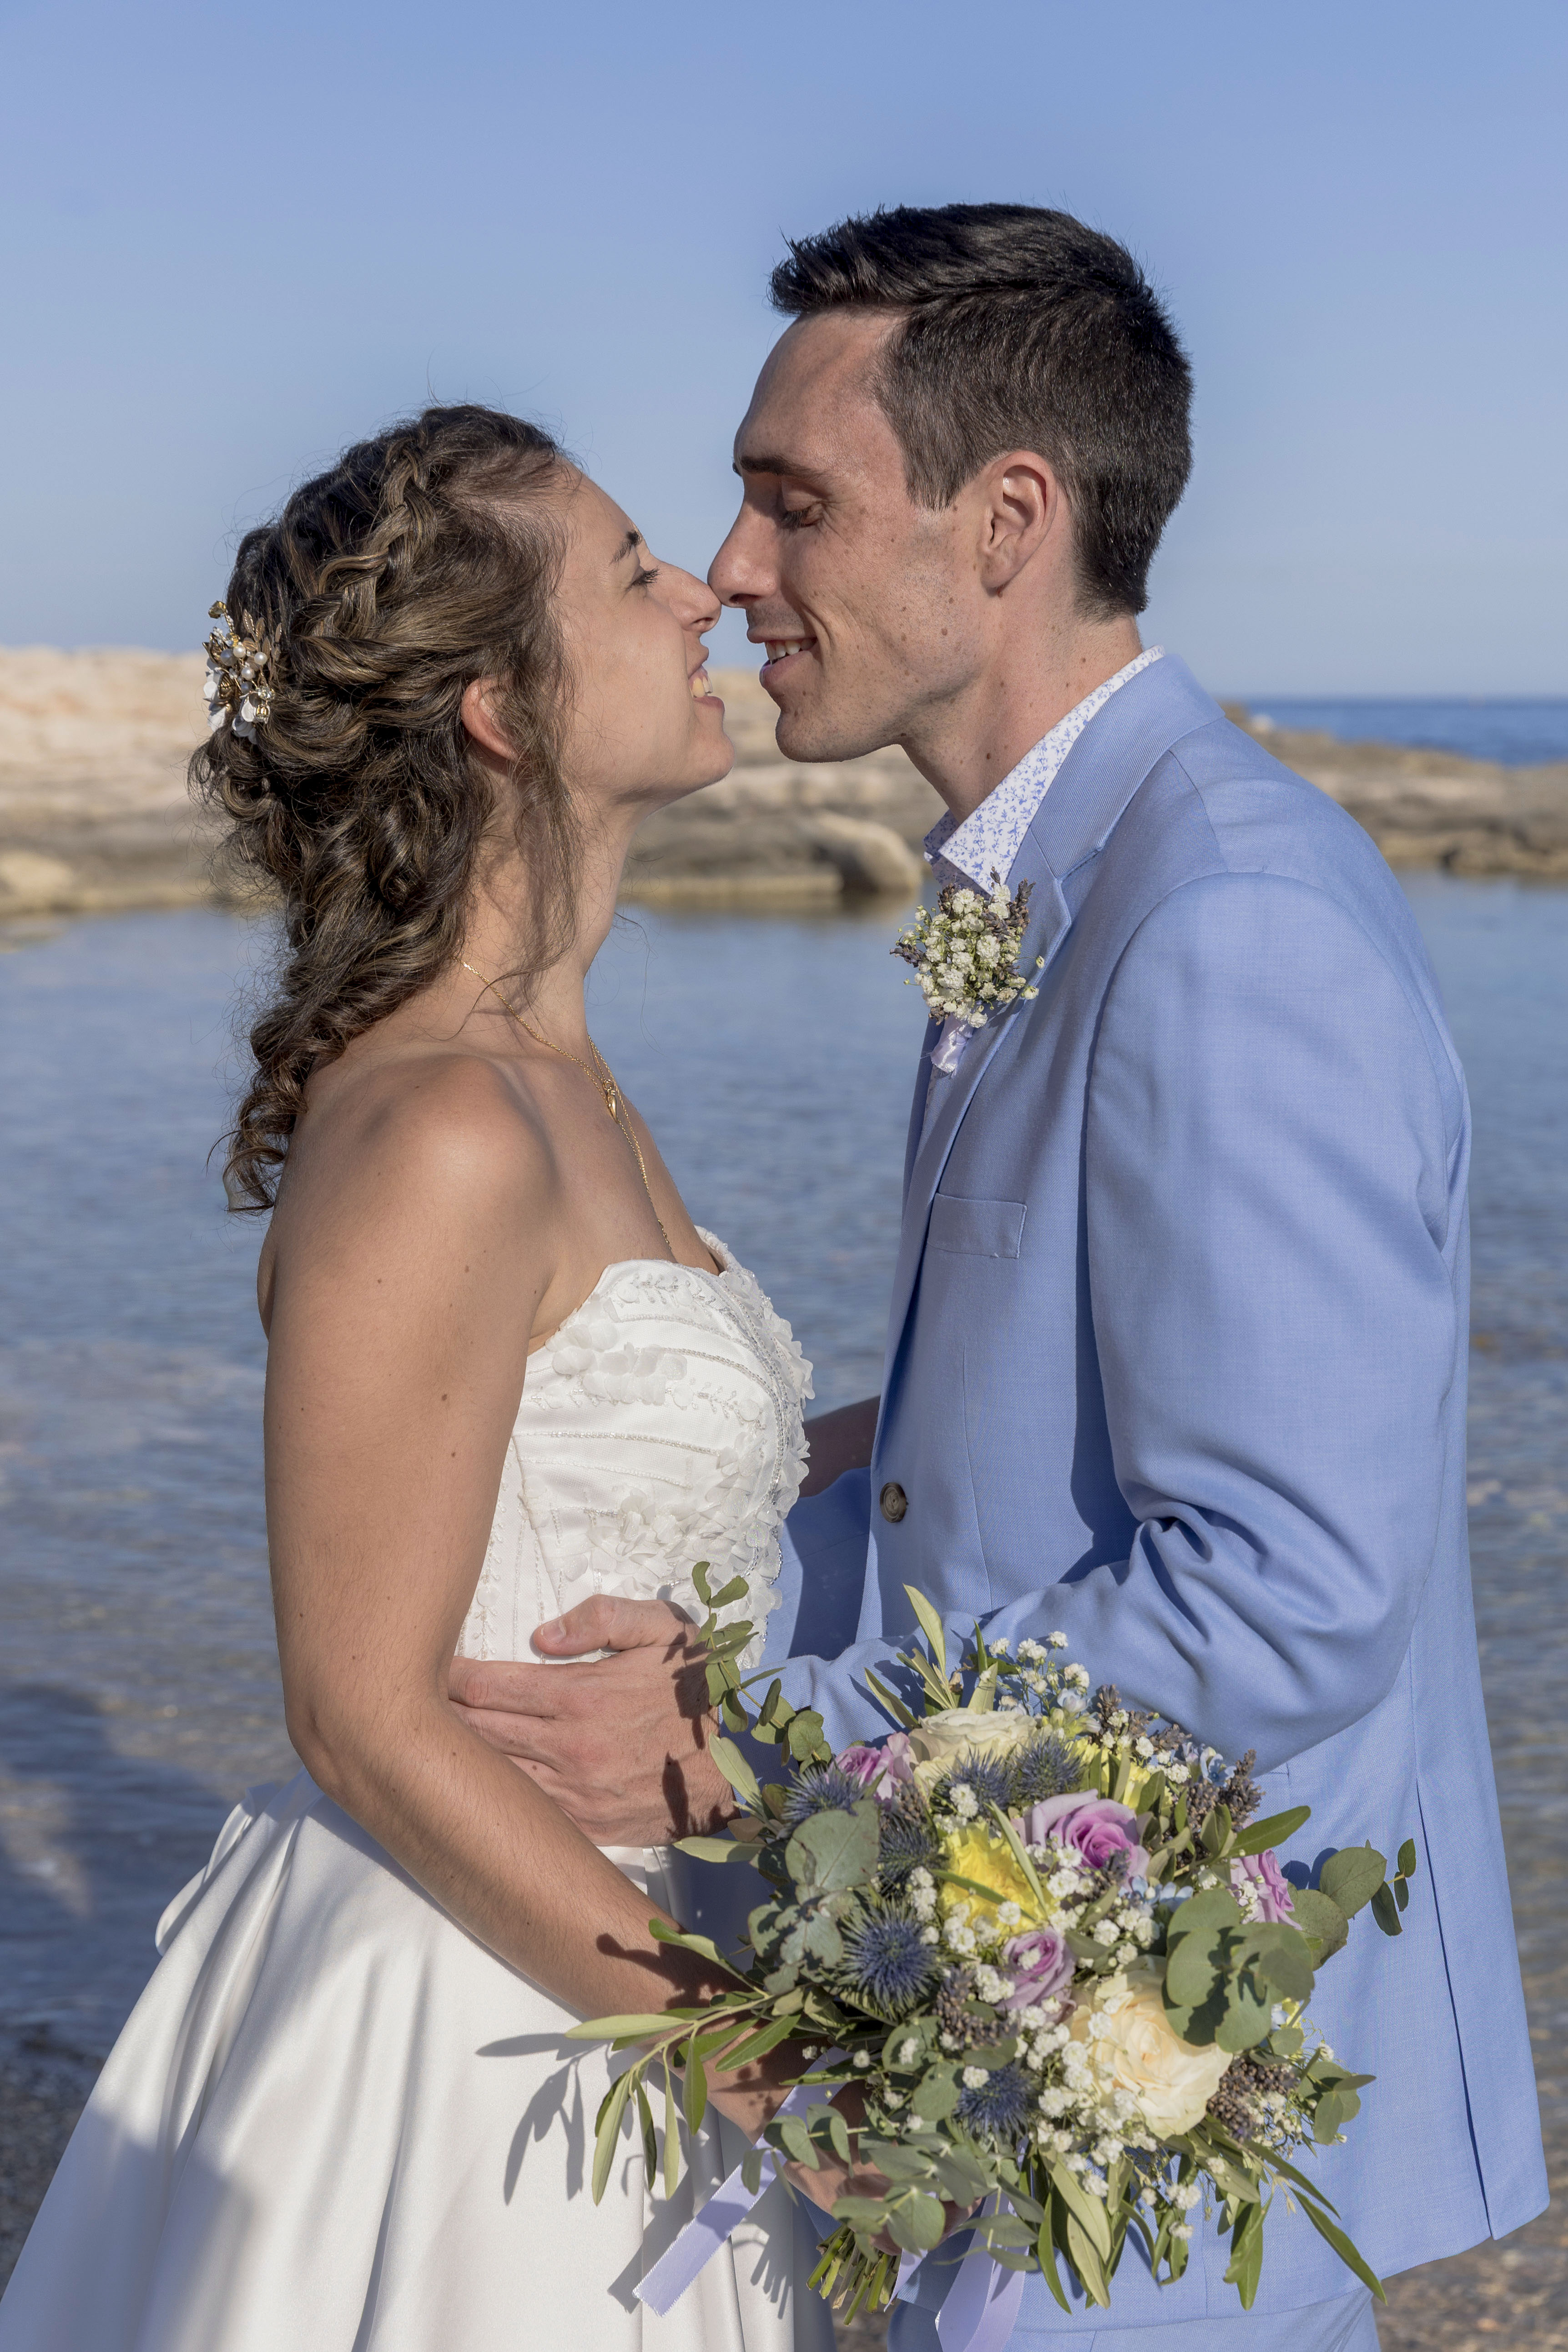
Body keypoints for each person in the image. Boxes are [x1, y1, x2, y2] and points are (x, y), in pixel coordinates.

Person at [453, 206, 1548, 2349]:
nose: (733, 568)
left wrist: (740, 1742)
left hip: (1167, 2084)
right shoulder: (1062, 877)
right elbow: (1045, 1416)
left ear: (1005, 523)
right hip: (1033, 2063)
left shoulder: (1224, 923)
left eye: (795, 503)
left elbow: (1291, 1589)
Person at [0, 404, 835, 2352]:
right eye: (633, 572)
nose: (706, 585)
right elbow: (360, 1712)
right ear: (498, 709)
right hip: (489, 2026)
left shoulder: (576, 1081)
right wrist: (743, 2054)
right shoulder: (449, 1121)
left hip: (630, 1948)